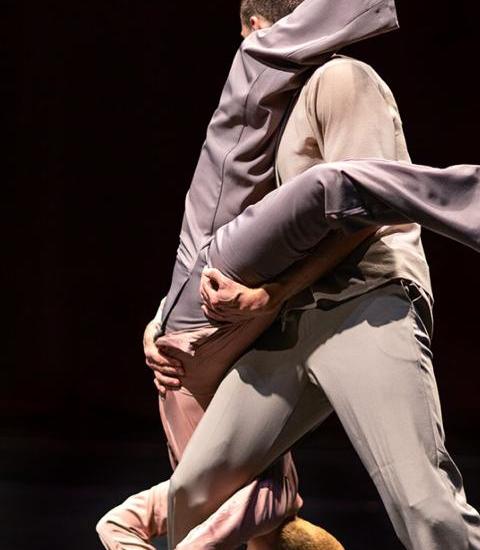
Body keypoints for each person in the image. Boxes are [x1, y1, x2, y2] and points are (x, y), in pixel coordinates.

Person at [146, 6, 480, 550]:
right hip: (289, 320)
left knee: (422, 502)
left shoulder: (341, 78)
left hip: (362, 301)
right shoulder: (272, 114)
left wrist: (273, 293)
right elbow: (224, 233)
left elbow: (366, 207)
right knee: (195, 490)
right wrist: (163, 320)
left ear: (257, 28)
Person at [96, 0, 402, 548]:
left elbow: (119, 526)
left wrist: (162, 320)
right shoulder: (274, 497)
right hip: (203, 329)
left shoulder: (265, 494)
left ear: (255, 27)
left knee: (303, 182)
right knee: (322, 191)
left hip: (195, 326)